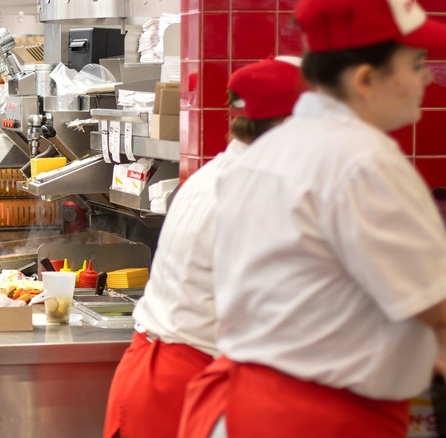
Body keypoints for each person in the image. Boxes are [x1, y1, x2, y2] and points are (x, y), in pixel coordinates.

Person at [178, 0, 446, 436]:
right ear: (365, 79)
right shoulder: (363, 161)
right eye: (416, 65)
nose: (427, 79)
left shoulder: (264, 154)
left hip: (246, 407)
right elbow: (435, 310)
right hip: (317, 417)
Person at [102, 57, 308, 438]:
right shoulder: (257, 192)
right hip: (178, 388)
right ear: (289, 125)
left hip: (150, 372)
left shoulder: (214, 175)